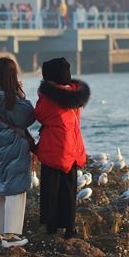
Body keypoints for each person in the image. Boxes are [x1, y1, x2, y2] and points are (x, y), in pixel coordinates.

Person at [0, 57, 36, 249]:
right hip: (14, 147)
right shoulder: (11, 97)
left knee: (0, 188)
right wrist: (21, 93)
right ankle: (11, 237)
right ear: (13, 75)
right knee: (16, 190)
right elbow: (27, 116)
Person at [35, 57, 90, 239]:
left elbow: (40, 114)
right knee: (69, 188)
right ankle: (70, 228)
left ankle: (51, 226)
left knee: (51, 188)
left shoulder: (49, 96)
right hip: (73, 146)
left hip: (54, 146)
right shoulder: (75, 96)